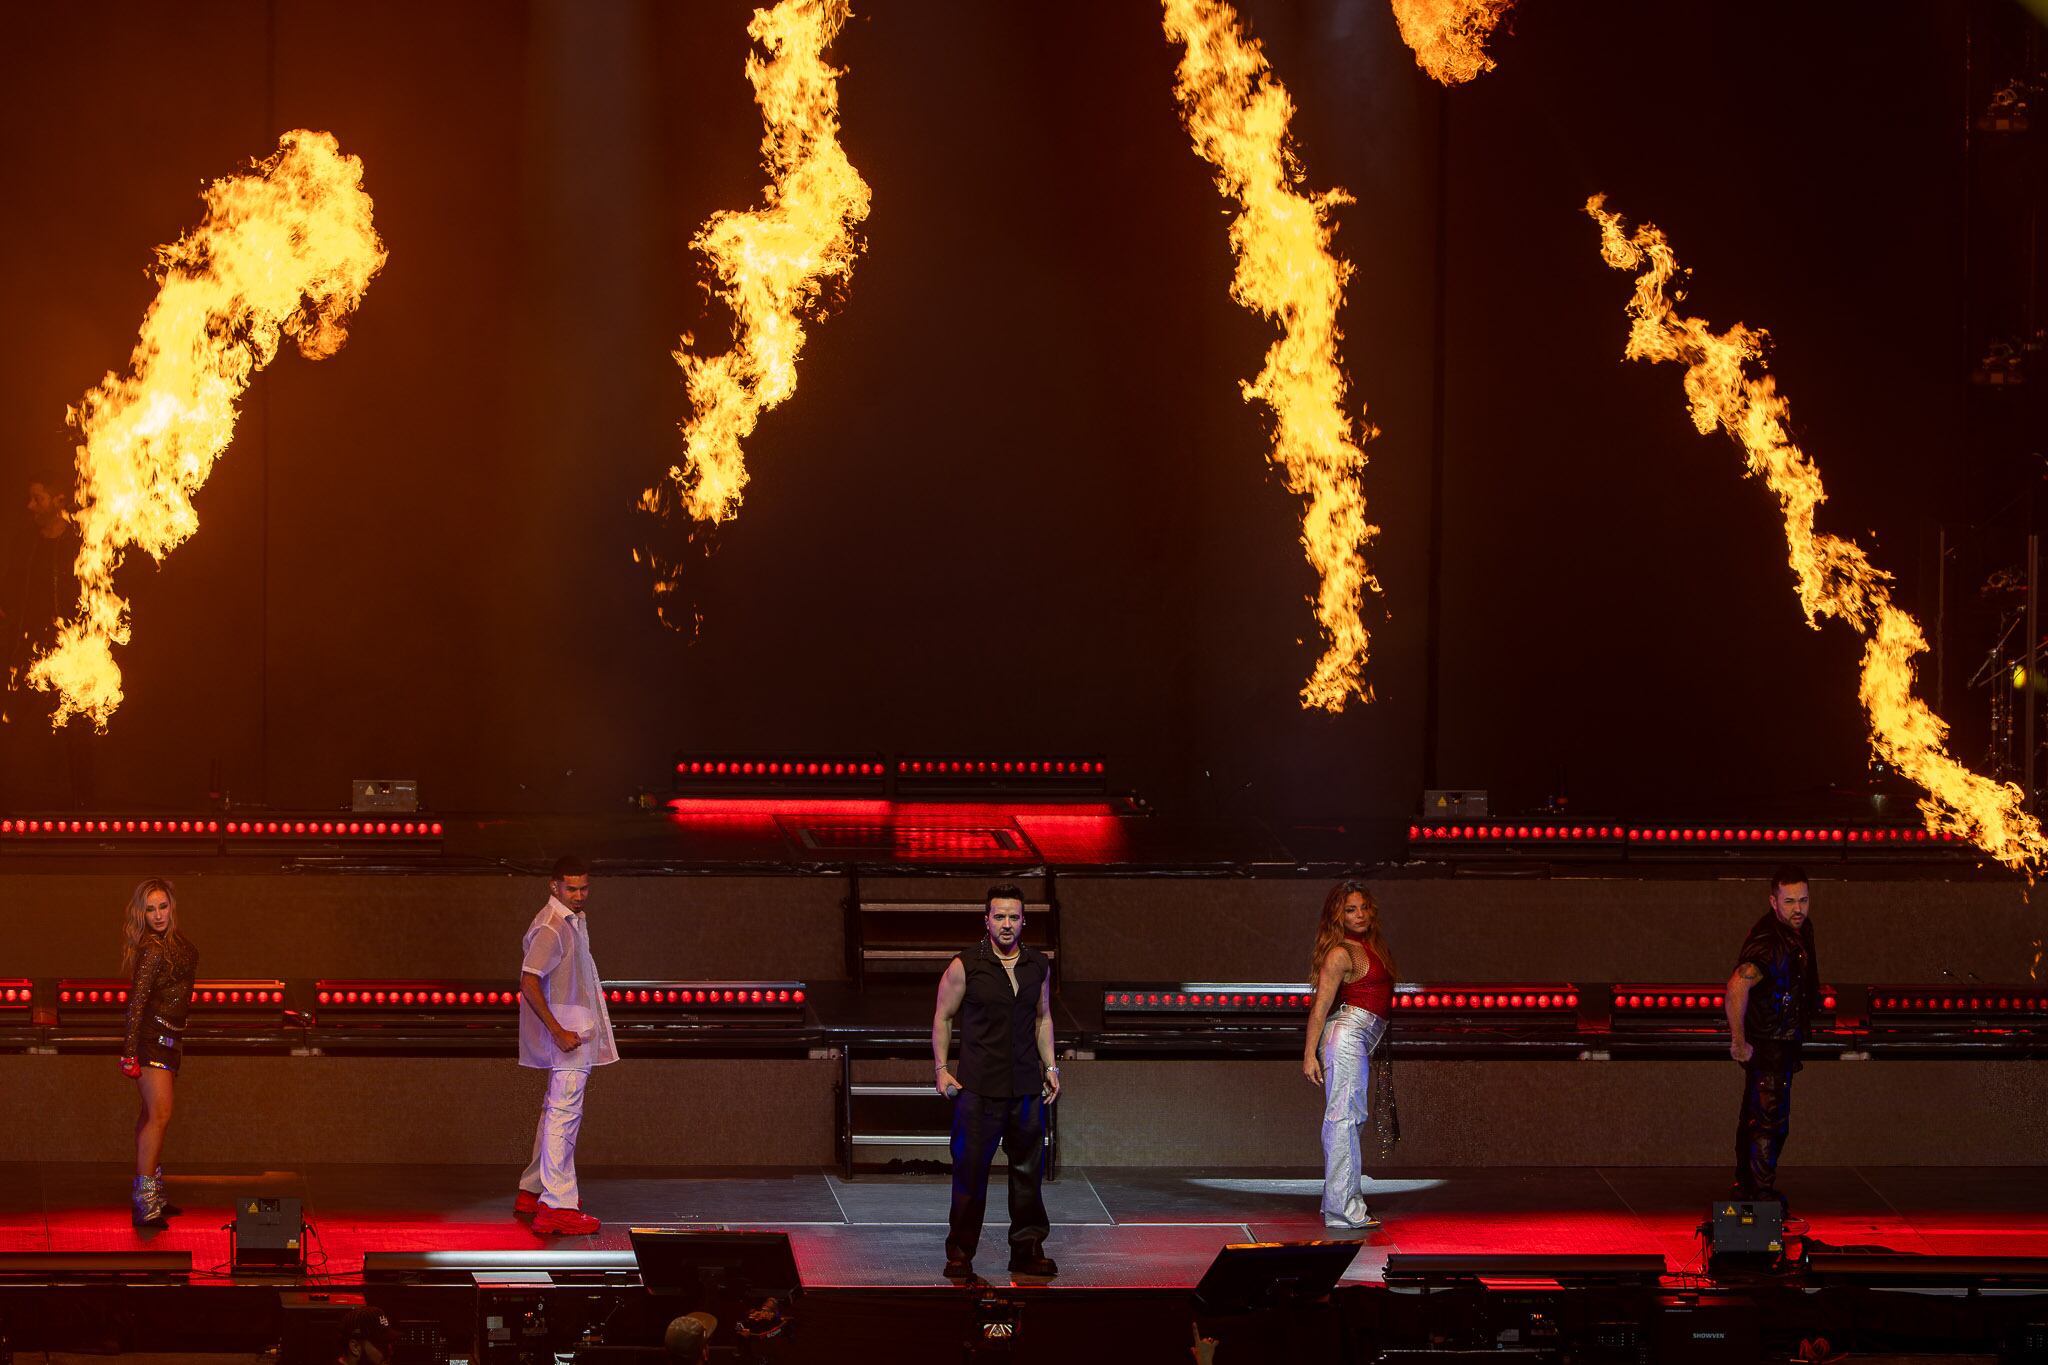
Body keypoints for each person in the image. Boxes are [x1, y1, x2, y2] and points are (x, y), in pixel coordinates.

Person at [932, 883, 1059, 1281]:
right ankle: (960, 1254)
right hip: (979, 1090)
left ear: (1024, 921)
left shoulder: (1037, 965)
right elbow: (943, 1017)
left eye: (1014, 917)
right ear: (986, 920)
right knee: (970, 1173)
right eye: (999, 916)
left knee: (1027, 1175)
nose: (1007, 924)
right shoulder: (965, 965)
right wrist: (941, 1068)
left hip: (1024, 1088)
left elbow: (1043, 1017)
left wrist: (1051, 1067)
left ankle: (1027, 1250)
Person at [513, 855, 615, 1236]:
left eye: (584, 888)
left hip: (573, 1031)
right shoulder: (553, 925)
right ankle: (557, 1204)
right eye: (571, 888)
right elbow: (528, 981)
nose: (579, 895)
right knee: (563, 1113)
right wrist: (557, 1031)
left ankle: (535, 1189)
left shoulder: (569, 921)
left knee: (555, 1111)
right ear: (554, 886)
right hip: (567, 1036)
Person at [1301, 879, 1394, 1231]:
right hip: (1346, 1036)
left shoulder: (1369, 946)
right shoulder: (1341, 953)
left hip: (1360, 1037)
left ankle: (1342, 1204)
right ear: (1337, 915)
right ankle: (1344, 1210)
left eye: (1363, 907)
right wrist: (1310, 1054)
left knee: (1350, 1118)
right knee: (1343, 1119)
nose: (1359, 915)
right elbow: (1320, 1007)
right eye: (1350, 909)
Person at [1725, 865, 1818, 1211]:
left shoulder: (1798, 929)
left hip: (1780, 1040)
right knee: (1768, 1121)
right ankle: (1759, 1193)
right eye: (1790, 901)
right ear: (1773, 901)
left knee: (1760, 1117)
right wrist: (1739, 1040)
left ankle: (1749, 1186)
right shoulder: (1768, 942)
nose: (1798, 908)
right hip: (1769, 1044)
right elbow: (1737, 985)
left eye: (1804, 900)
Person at [119, 876, 197, 1226]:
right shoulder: (151, 949)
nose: (158, 914)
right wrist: (129, 1052)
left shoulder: (176, 942)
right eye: (150, 909)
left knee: (151, 1116)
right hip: (153, 1041)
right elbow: (136, 1004)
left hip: (171, 1039)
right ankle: (144, 1201)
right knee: (159, 1117)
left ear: (171, 906)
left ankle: (154, 1192)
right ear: (142, 913)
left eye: (162, 906)